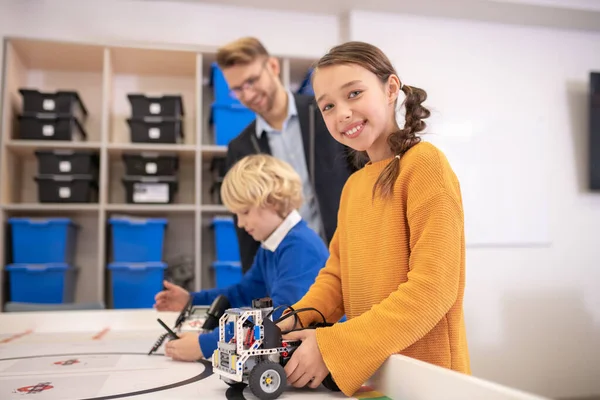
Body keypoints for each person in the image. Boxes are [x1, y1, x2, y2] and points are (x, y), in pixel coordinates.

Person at [276, 41, 471, 397]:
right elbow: (335, 278)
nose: (342, 113)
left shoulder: (425, 165)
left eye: (354, 93)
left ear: (390, 89)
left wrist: (333, 346)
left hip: (427, 378)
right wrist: (292, 320)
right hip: (374, 373)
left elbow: (433, 290)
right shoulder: (353, 186)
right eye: (328, 106)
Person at [153, 154, 330, 362]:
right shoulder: (272, 246)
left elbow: (280, 319)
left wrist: (205, 344)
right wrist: (192, 300)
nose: (239, 223)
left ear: (272, 202)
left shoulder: (300, 248)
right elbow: (241, 294)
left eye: (244, 212)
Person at [215, 37, 359, 273]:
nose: (248, 95)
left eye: (251, 81)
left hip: (350, 258)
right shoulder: (240, 148)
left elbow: (361, 174)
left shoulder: (326, 113)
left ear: (272, 67)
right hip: (292, 271)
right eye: (238, 90)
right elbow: (247, 235)